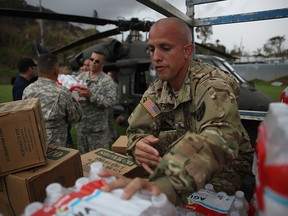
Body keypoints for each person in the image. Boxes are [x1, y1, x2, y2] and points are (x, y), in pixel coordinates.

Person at [99, 17, 254, 206]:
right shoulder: (157, 89)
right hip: (187, 152)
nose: (155, 57)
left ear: (186, 51)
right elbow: (136, 129)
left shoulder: (210, 84)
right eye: (151, 49)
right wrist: (138, 145)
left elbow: (221, 138)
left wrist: (167, 183)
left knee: (201, 202)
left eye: (165, 48)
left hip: (229, 163)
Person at [22, 53, 82, 147]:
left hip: (34, 144)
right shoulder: (62, 92)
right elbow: (76, 117)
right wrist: (75, 96)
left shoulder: (27, 90)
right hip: (56, 146)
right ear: (56, 70)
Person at [76, 50, 117, 153]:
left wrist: (91, 96)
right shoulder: (80, 77)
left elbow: (110, 102)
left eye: (97, 61)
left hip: (98, 131)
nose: (93, 62)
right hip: (82, 128)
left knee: (100, 162)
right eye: (91, 59)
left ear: (102, 64)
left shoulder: (106, 81)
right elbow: (73, 96)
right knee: (83, 161)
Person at [107, 71, 120, 144]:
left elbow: (115, 97)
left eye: (109, 76)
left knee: (108, 121)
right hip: (108, 105)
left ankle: (111, 136)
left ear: (113, 77)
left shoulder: (114, 85)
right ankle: (113, 135)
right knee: (109, 121)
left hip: (110, 105)